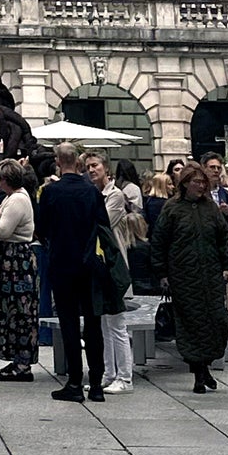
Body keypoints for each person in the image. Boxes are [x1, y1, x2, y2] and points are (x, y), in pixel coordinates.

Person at [154, 160, 228, 393]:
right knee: (191, 323)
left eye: (203, 182)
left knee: (216, 320)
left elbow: (222, 238)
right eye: (196, 182)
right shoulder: (172, 209)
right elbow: (160, 241)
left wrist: (226, 265)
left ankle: (205, 366)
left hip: (210, 275)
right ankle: (198, 372)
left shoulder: (210, 208)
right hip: (183, 276)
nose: (201, 186)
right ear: (186, 183)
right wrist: (162, 273)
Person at [35, 143, 105, 404]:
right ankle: (96, 382)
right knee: (93, 322)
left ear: (57, 161)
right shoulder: (91, 191)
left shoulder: (50, 192)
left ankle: (75, 381)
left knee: (69, 324)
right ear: (77, 162)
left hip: (62, 262)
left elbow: (41, 229)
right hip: (89, 263)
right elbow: (103, 226)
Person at [86, 155, 137, 393]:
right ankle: (109, 373)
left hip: (113, 266)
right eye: (88, 167)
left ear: (106, 168)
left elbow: (101, 222)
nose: (91, 170)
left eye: (95, 165)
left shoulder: (115, 195)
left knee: (117, 323)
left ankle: (125, 377)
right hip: (99, 266)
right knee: (104, 323)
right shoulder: (93, 193)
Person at [0, 157, 39, 382]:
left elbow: (3, 230)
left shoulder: (17, 200)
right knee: (14, 311)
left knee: (19, 311)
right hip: (12, 261)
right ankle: (18, 360)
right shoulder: (16, 197)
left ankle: (23, 364)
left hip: (16, 262)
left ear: (5, 180)